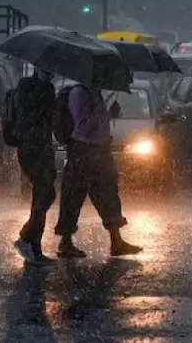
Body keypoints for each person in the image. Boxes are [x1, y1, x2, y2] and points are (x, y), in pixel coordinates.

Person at [54, 83, 142, 258]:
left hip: (100, 150)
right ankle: (65, 242)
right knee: (73, 195)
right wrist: (105, 114)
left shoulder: (95, 92)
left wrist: (110, 115)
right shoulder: (79, 93)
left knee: (108, 193)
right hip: (83, 150)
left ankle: (116, 241)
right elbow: (83, 124)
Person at [12, 68, 57, 265]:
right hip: (30, 146)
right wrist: (47, 105)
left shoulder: (49, 88)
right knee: (44, 193)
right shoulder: (26, 85)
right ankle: (26, 238)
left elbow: (50, 120)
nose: (51, 72)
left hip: (44, 145)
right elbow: (27, 114)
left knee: (44, 195)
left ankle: (34, 246)